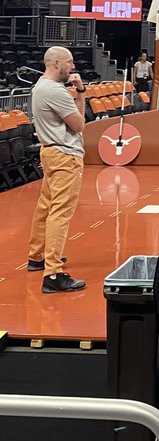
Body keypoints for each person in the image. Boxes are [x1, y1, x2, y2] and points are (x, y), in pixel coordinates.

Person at [28, 46, 87, 293]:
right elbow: (79, 124)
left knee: (45, 208)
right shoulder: (56, 92)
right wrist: (81, 93)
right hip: (65, 156)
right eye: (69, 63)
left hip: (50, 153)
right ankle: (53, 274)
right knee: (60, 213)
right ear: (55, 64)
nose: (72, 67)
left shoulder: (39, 86)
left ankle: (36, 256)